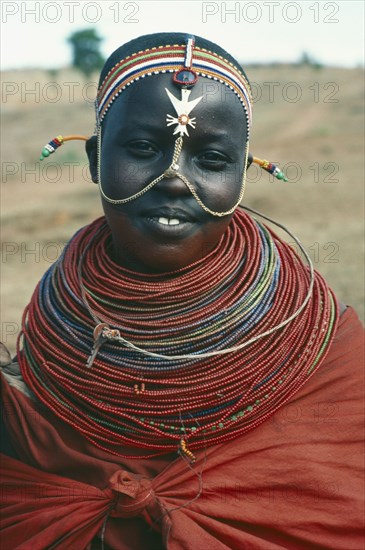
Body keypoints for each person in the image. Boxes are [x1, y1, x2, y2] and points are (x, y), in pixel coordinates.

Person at [1, 32, 363, 550]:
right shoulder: (56, 327)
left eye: (211, 160)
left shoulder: (326, 352)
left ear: (243, 173)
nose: (174, 178)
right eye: (144, 149)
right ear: (95, 160)